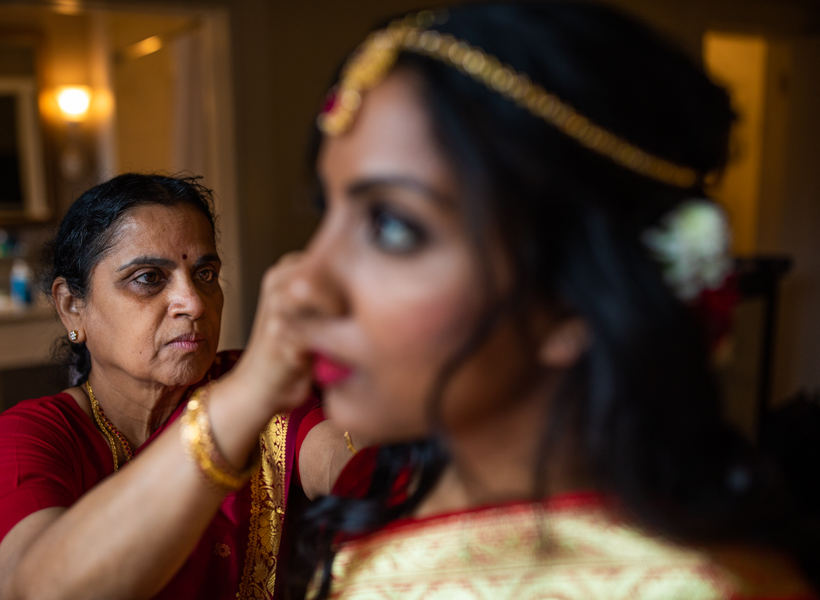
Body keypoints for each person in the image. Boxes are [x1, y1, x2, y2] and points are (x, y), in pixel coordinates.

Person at [221, 3, 817, 598]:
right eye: (328, 213)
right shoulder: (383, 549)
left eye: (392, 227)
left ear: (569, 297)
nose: (299, 286)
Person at [0, 174, 353, 600]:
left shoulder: (250, 387)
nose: (193, 302)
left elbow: (346, 462)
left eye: (205, 273)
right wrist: (244, 397)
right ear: (71, 307)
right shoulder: (29, 438)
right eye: (148, 278)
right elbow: (29, 589)